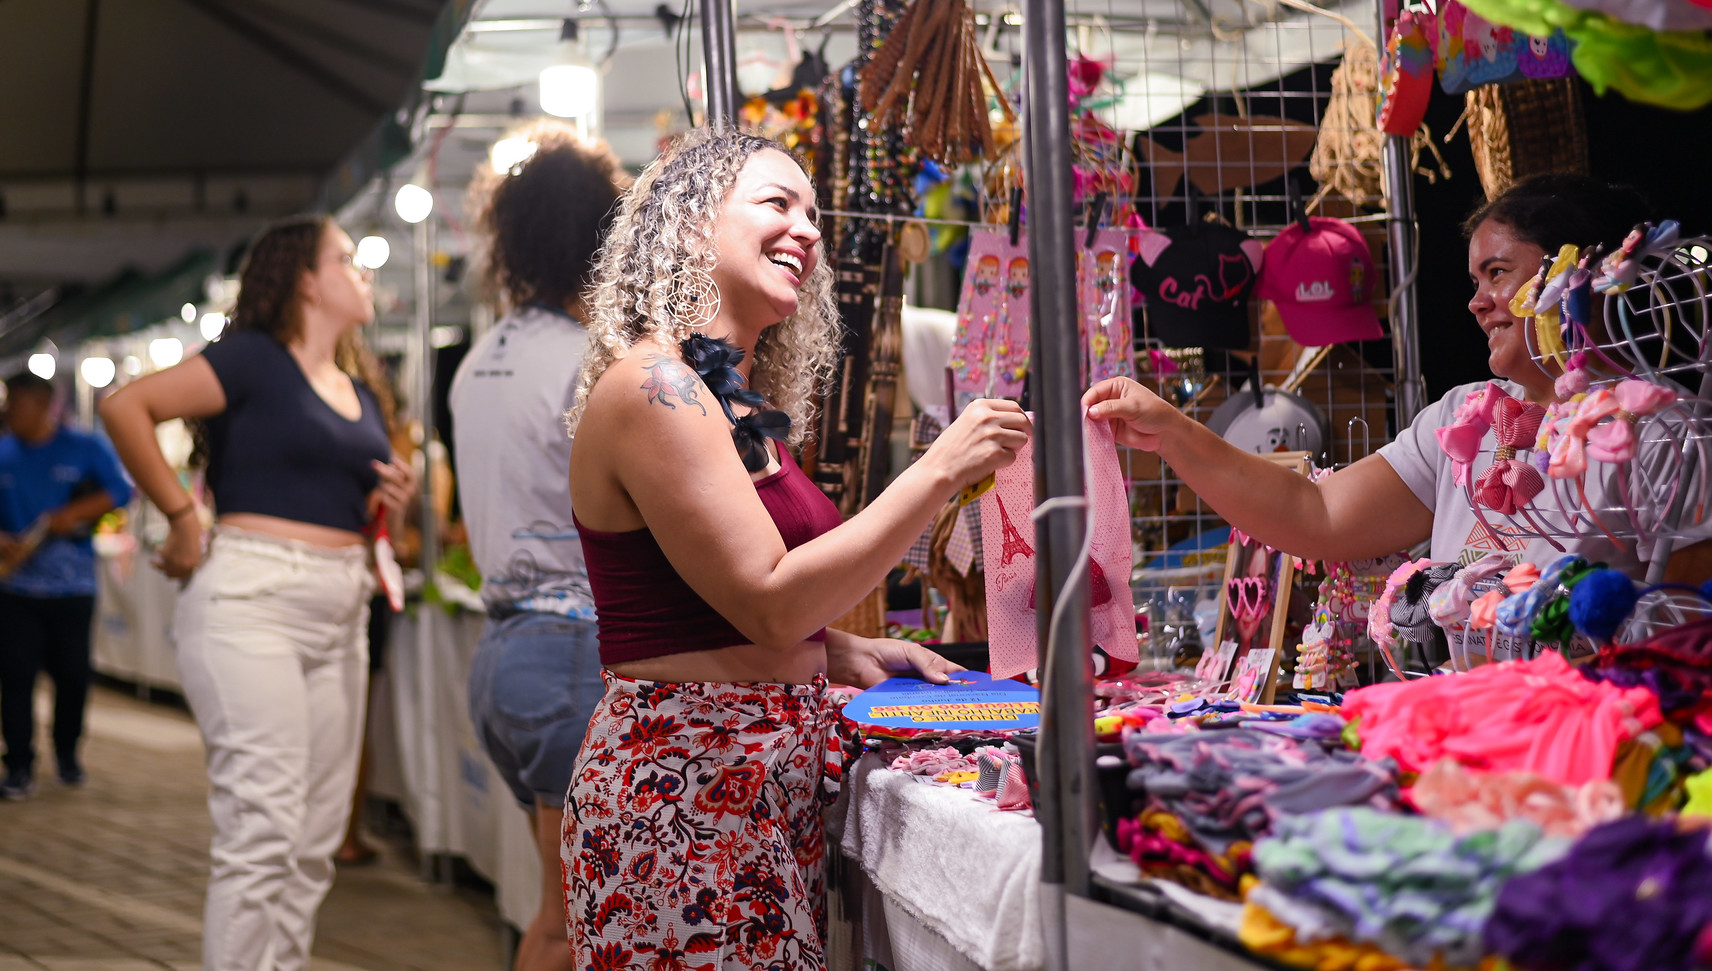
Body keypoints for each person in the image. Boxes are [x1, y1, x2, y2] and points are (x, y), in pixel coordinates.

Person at [561, 129, 1030, 970]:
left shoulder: (727, 400)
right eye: (777, 203)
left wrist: (840, 649)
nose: (807, 229)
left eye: (813, 212)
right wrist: (938, 470)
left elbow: (710, 603)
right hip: (684, 797)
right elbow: (771, 601)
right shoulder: (655, 385)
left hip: (748, 794)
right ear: (691, 224)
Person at [1085, 173, 1712, 581]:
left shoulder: (1672, 435)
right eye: (1475, 280)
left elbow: (1703, 637)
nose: (1478, 303)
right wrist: (1173, 433)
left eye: (1497, 273)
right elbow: (1314, 514)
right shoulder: (1464, 418)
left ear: (1577, 272)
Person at [98, 215, 416, 971]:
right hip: (253, 602)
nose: (363, 271)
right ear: (304, 278)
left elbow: (372, 522)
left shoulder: (361, 389)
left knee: (313, 841)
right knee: (263, 832)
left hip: (344, 608)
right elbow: (124, 406)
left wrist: (395, 507)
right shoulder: (251, 359)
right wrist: (183, 518)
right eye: (346, 258)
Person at [449, 123, 624, 971]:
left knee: (562, 914)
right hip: (568, 654)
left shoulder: (480, 358)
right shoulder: (587, 363)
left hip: (506, 655)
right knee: (569, 925)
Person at [0, 370, 135, 800]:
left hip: (72, 588)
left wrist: (73, 514)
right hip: (11, 590)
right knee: (15, 678)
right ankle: (18, 765)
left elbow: (121, 491)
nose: (9, 410)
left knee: (73, 677)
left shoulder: (86, 447)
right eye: (8, 402)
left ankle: (67, 753)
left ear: (45, 405)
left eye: (17, 402)